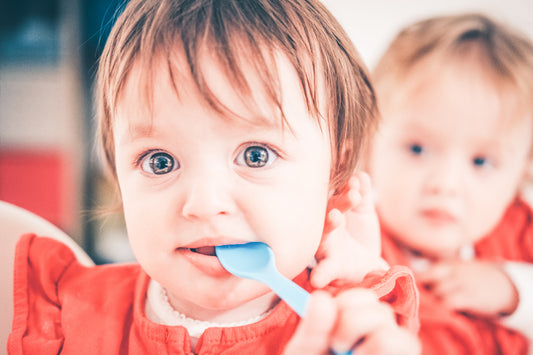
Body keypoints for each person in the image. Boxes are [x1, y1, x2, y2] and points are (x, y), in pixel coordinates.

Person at [8, 0, 421, 354]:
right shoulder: (66, 313)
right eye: (160, 162)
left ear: (335, 175)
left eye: (256, 156)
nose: (204, 204)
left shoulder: (353, 330)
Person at [366, 13, 533, 354]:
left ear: (521, 174)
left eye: (481, 162)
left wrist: (513, 290)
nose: (445, 184)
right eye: (417, 149)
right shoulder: (355, 248)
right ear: (367, 144)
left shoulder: (519, 232)